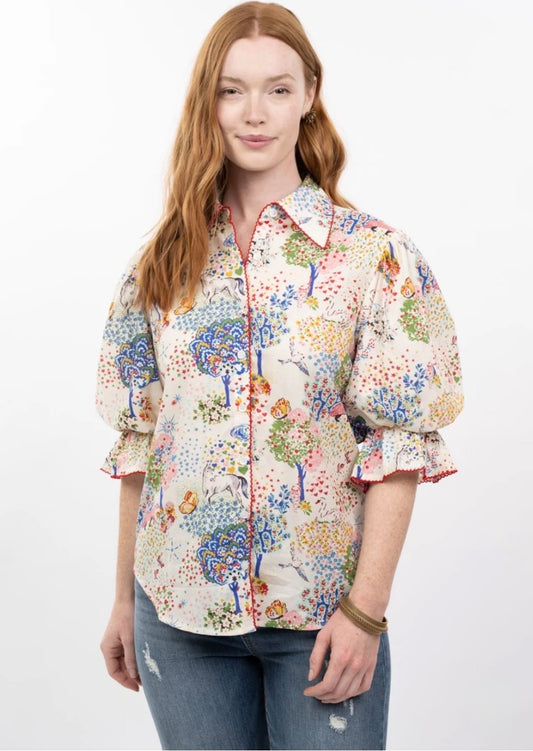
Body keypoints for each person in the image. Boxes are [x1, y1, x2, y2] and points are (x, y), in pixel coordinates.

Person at [96, 2, 463, 749]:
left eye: (277, 88)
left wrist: (365, 612)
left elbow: (398, 445)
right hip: (177, 616)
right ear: (207, 101)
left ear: (309, 94)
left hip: (323, 620)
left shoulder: (373, 257)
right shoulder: (161, 263)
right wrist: (123, 602)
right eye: (231, 90)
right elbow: (142, 442)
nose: (254, 113)